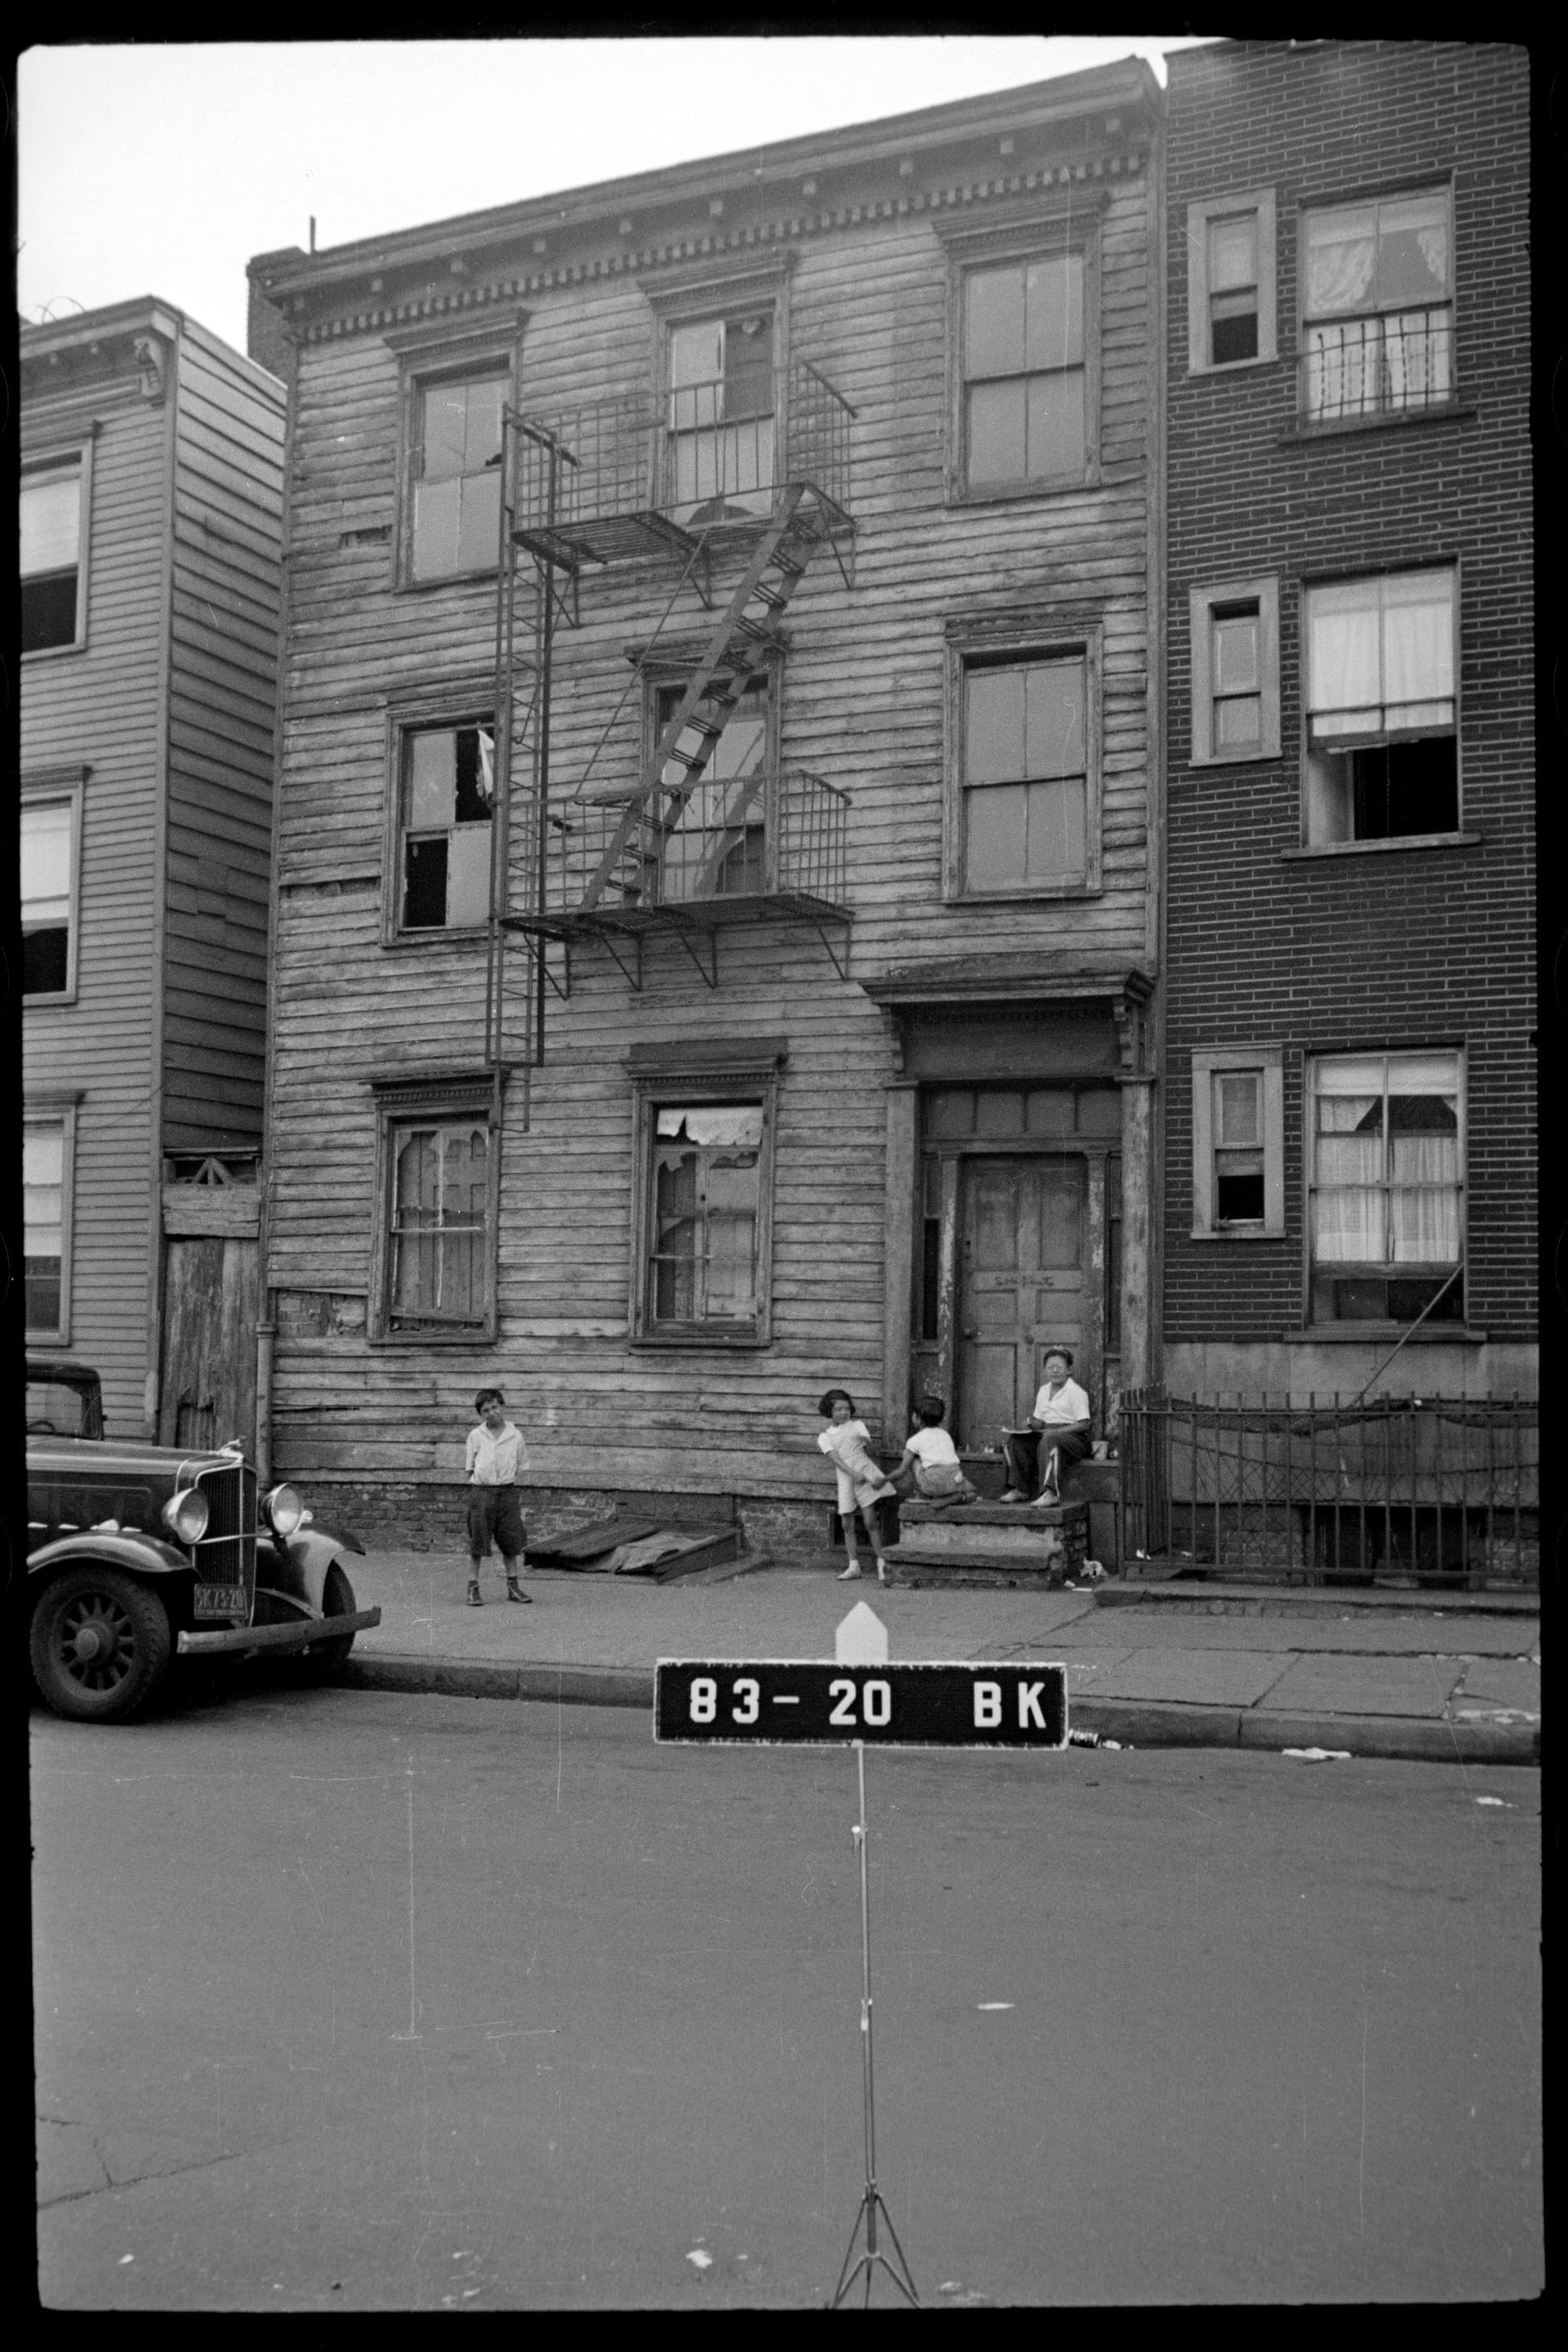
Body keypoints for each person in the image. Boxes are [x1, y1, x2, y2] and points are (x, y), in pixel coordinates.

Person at [817, 1388, 899, 1583]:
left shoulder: (857, 1425)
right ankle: (854, 1565)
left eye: (847, 1408)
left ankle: (882, 1565)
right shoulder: (825, 1436)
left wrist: (864, 1468)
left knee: (870, 1521)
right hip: (846, 1477)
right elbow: (836, 1459)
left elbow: (865, 1446)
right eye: (839, 1409)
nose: (844, 1412)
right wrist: (853, 1473)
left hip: (864, 1471)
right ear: (830, 1411)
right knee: (847, 1522)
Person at [464, 1387, 532, 1606]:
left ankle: (513, 1587)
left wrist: (505, 1486)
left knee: (511, 1541)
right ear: (481, 1415)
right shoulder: (476, 1436)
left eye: (495, 1407)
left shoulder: (515, 1436)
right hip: (482, 1493)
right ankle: (473, 1588)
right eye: (486, 1411)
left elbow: (521, 1464)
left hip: (507, 1493)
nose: (492, 1413)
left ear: (502, 1406)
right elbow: (470, 1467)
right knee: (479, 1541)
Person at [1000, 1348, 1093, 1505]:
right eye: (1050, 1367)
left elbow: (1084, 1424)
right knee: (1016, 1440)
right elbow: (1040, 1423)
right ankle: (1020, 1489)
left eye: (1059, 1367)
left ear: (1069, 1370)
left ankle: (1050, 1493)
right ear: (1045, 1370)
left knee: (1049, 1438)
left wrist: (1056, 1431)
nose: (1054, 1371)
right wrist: (1030, 1423)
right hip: (1047, 1433)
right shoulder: (1043, 1391)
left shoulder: (1076, 1392)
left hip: (1074, 1439)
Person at [894, 1395, 975, 1500]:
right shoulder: (945, 1435)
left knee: (913, 1458)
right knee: (973, 1490)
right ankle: (964, 1497)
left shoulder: (915, 1440)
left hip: (932, 1482)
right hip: (955, 1479)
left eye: (913, 1414)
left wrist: (884, 1480)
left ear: (918, 1419)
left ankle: (922, 1496)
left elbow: (903, 1469)